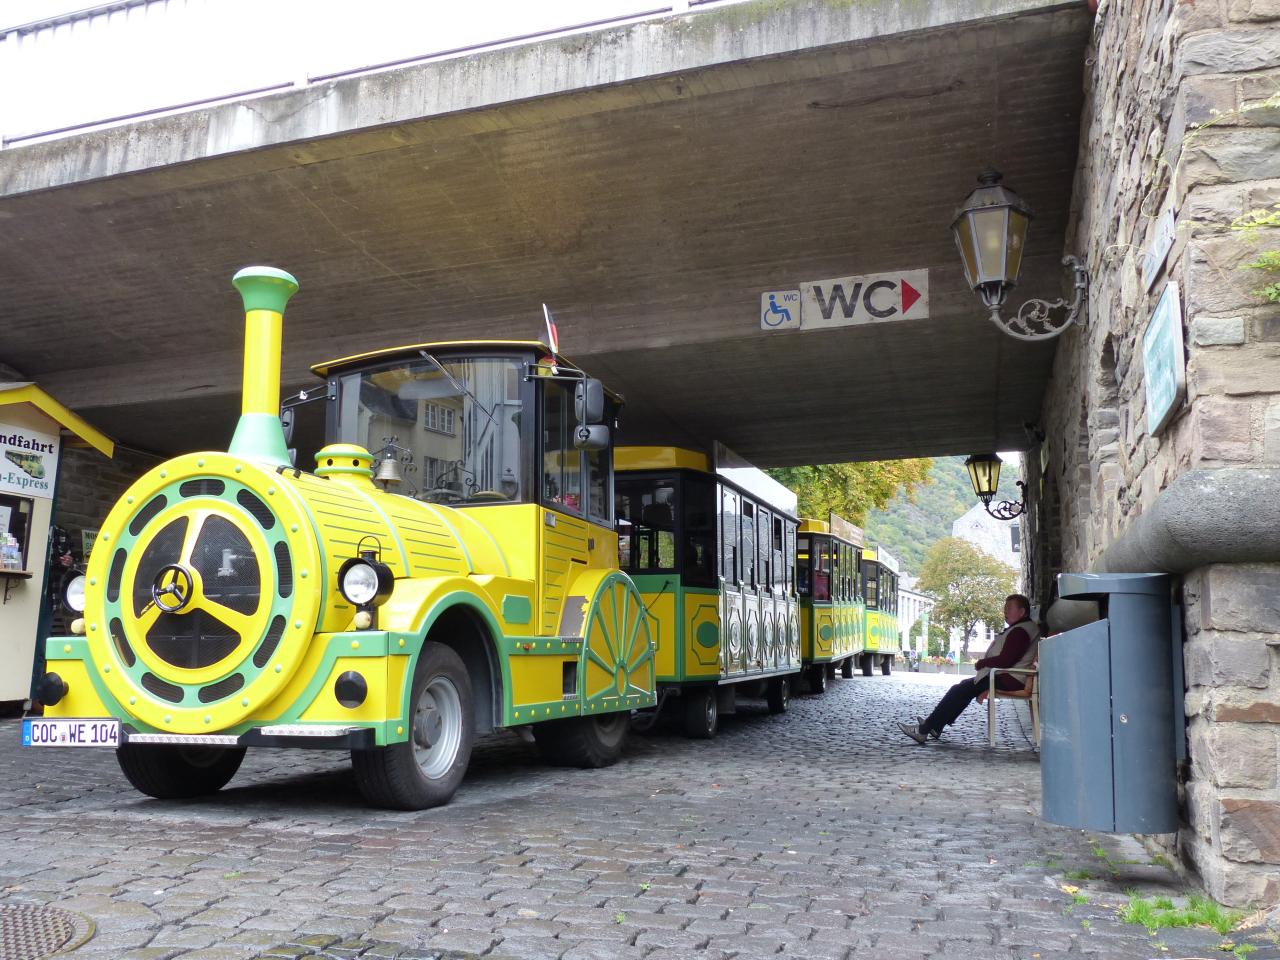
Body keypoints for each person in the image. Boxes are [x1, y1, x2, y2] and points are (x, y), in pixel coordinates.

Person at [897, 594, 1039, 744]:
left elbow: (1006, 660)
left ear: (1022, 612)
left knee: (960, 690)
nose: (1005, 611)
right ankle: (935, 726)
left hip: (1009, 678)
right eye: (1005, 608)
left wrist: (983, 663)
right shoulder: (1023, 628)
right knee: (963, 689)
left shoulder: (1020, 631)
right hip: (1007, 676)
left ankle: (923, 730)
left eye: (1009, 608)